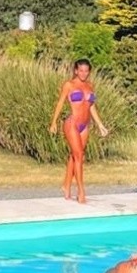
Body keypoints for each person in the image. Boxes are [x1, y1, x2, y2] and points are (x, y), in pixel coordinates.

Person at [49, 58, 108, 204]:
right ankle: (81, 191)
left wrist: (100, 124)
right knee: (79, 156)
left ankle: (66, 185)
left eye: (86, 71)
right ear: (76, 71)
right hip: (72, 124)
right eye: (81, 70)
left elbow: (91, 106)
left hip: (84, 125)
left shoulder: (90, 86)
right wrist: (54, 122)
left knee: (75, 155)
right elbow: (60, 103)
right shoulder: (69, 85)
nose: (83, 73)